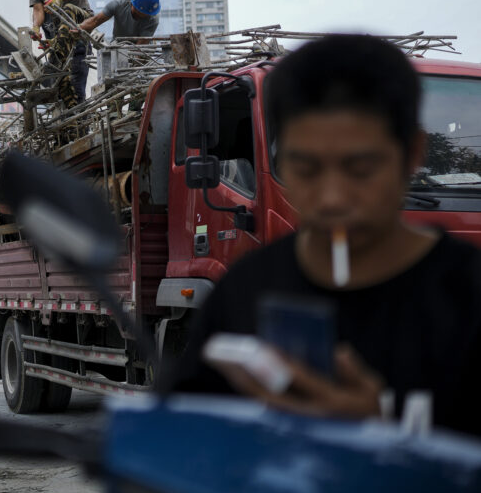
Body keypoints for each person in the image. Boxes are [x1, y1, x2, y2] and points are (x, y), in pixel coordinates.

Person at [172, 34, 481, 437]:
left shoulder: (469, 298)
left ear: (412, 153)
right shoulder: (245, 294)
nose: (332, 198)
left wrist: (381, 435)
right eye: (306, 167)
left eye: (360, 167)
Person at [24, 0, 92, 105]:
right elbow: (38, 10)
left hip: (80, 24)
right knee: (63, 90)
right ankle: (70, 124)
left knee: (67, 9)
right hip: (62, 37)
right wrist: (36, 27)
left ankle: (58, 54)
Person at [78, 0, 160, 41]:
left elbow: (142, 46)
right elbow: (95, 21)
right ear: (137, 7)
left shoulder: (153, 19)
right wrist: (79, 28)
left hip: (139, 53)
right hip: (118, 46)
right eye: (146, 13)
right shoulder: (119, 4)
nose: (149, 15)